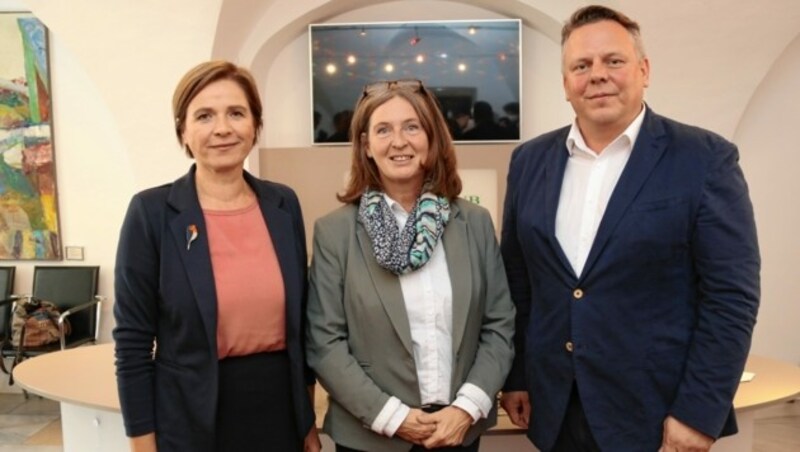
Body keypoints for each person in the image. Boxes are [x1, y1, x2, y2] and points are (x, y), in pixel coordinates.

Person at [500, 5, 760, 452]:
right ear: (566, 84)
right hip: (556, 409)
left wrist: (698, 412)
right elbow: (519, 282)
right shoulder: (529, 162)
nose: (597, 75)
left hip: (656, 416)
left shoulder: (705, 159)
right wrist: (518, 373)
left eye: (613, 61)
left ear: (643, 70)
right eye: (581, 66)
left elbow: (730, 299)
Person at [113, 60, 321, 452]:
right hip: (190, 421)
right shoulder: (151, 213)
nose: (222, 128)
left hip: (279, 415)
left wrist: (306, 421)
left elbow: (302, 329)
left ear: (255, 126)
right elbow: (132, 344)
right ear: (183, 131)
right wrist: (142, 444)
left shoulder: (283, 204)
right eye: (204, 116)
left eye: (236, 113)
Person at [305, 79, 515, 451]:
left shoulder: (475, 222)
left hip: (457, 432)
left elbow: (498, 325)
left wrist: (466, 409)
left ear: (432, 139)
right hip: (370, 435)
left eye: (412, 127)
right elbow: (325, 342)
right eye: (383, 130)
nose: (398, 141)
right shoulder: (335, 233)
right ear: (366, 146)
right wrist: (394, 417)